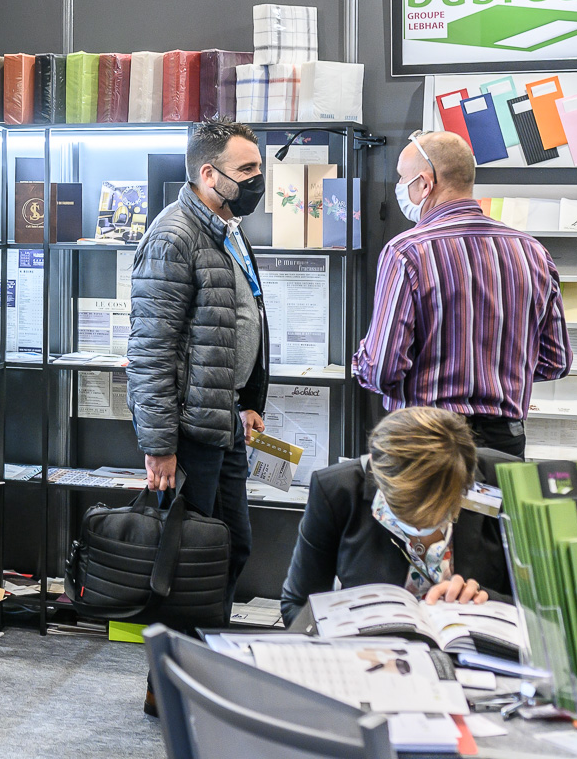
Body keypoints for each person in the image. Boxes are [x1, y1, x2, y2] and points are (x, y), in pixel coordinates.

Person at [353, 130, 571, 457]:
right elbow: (556, 361)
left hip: (426, 440)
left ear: (425, 184)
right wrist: (497, 378)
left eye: (402, 178)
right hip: (505, 440)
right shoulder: (532, 251)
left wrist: (362, 363)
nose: (399, 187)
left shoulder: (407, 252)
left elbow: (384, 369)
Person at [128, 117, 269, 609]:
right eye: (246, 170)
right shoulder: (173, 237)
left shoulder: (228, 229)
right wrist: (159, 446)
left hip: (223, 420)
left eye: (258, 167)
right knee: (187, 560)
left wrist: (249, 399)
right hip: (188, 433)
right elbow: (150, 352)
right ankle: (173, 658)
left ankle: (209, 648)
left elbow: (242, 316)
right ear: (209, 174)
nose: (257, 179)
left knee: (231, 548)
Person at [280, 406, 514, 628]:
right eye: (404, 514)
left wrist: (487, 599)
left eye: (440, 513)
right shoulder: (336, 491)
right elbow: (297, 605)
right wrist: (346, 629)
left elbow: (534, 605)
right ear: (376, 475)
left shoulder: (503, 480)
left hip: (473, 651)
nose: (421, 528)